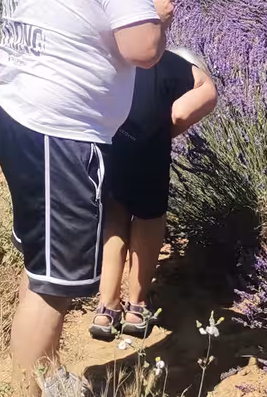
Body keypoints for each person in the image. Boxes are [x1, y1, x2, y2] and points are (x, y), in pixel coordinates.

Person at [0, 0, 171, 397]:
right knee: (56, 287)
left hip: (15, 113)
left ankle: (38, 387)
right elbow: (140, 49)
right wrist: (158, 19)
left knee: (41, 267)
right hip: (60, 134)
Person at [91, 44, 217, 340]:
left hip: (111, 137)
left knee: (115, 216)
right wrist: (160, 134)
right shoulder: (182, 69)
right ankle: (136, 308)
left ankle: (106, 309)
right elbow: (185, 110)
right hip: (147, 143)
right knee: (149, 217)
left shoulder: (115, 54)